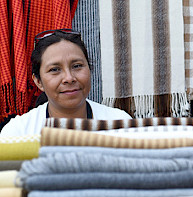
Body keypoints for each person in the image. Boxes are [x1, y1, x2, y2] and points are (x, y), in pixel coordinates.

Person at [0, 29, 132, 136]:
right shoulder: (18, 133)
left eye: (77, 66)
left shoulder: (120, 124)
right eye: (55, 69)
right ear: (38, 82)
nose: (69, 78)